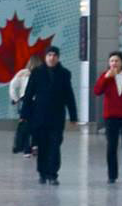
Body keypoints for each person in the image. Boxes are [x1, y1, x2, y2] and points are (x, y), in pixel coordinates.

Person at [20, 47, 77, 185]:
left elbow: (69, 95)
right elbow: (28, 94)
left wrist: (73, 115)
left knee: (55, 145)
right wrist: (24, 114)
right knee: (43, 145)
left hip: (57, 116)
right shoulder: (37, 73)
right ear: (45, 57)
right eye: (49, 55)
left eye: (54, 55)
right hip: (39, 115)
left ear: (58, 57)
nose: (52, 58)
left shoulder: (64, 74)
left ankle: (53, 174)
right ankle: (42, 172)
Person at [94, 51, 122, 184]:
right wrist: (106, 77)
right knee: (111, 147)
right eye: (112, 61)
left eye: (117, 61)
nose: (114, 63)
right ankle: (112, 175)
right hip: (111, 116)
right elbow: (97, 91)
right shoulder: (106, 76)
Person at [9, 53, 41, 156]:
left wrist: (15, 98)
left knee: (26, 125)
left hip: (25, 101)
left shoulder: (22, 73)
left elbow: (13, 85)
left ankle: (27, 149)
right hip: (38, 102)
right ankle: (35, 145)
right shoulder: (43, 73)